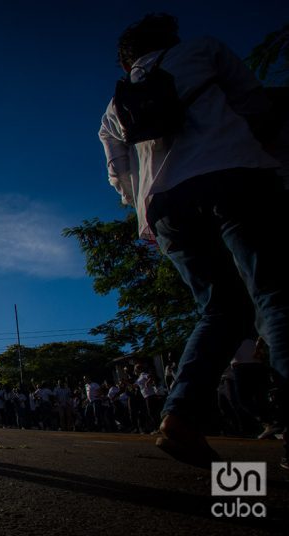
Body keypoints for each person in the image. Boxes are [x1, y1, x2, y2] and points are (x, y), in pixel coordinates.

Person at [99, 13, 289, 469]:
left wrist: (142, 210)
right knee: (275, 296)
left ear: (127, 64)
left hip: (165, 207)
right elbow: (255, 107)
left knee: (222, 308)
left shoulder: (113, 108)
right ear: (170, 40)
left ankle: (181, 416)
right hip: (235, 177)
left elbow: (121, 181)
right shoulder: (204, 50)